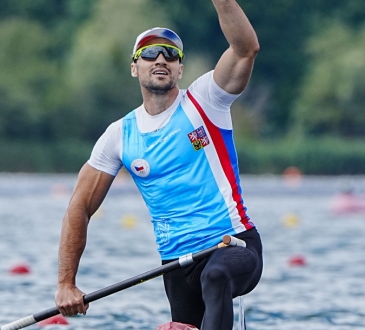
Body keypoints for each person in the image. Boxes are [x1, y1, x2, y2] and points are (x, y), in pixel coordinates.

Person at [54, 1, 263, 329]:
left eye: (170, 54)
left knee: (217, 274)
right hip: (176, 266)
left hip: (233, 245)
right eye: (150, 53)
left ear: (180, 69)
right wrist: (66, 283)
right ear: (135, 67)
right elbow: (78, 207)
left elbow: (245, 48)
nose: (161, 59)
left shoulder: (206, 100)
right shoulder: (119, 136)